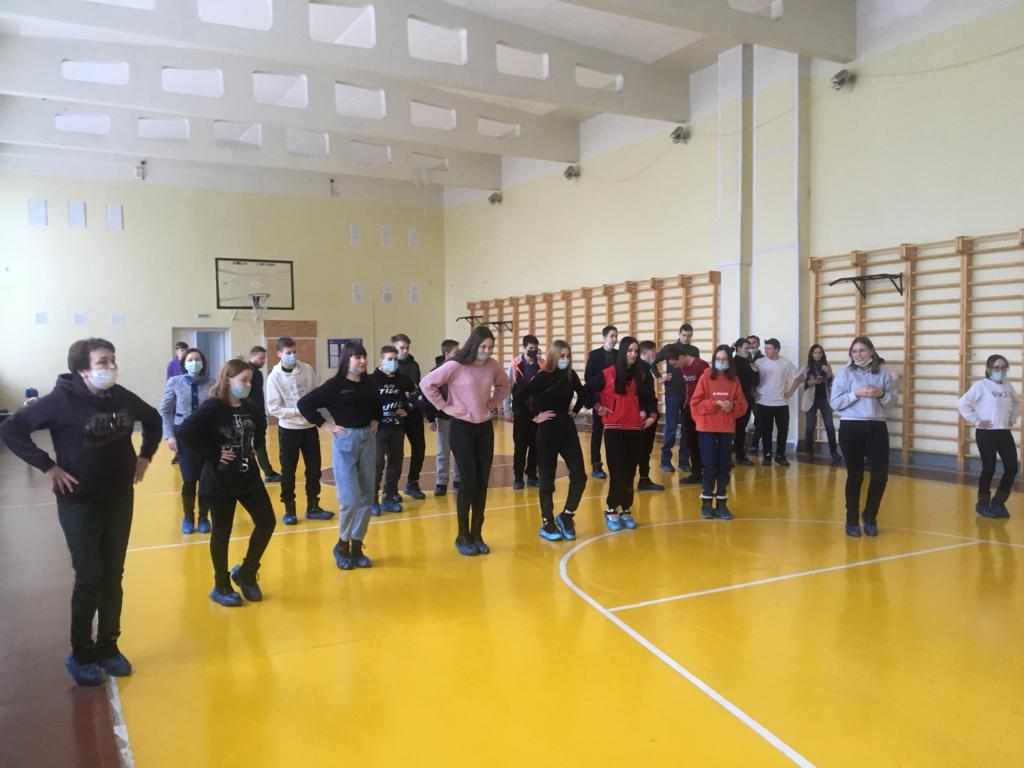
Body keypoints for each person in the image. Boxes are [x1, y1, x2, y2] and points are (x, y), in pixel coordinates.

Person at [0, 338, 160, 686]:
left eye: (113, 360)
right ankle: (81, 652)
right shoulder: (60, 401)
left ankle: (108, 645)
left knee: (113, 575)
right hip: (79, 501)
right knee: (89, 577)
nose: (111, 367)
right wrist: (48, 466)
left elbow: (153, 418)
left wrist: (145, 457)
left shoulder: (121, 397)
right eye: (103, 362)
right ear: (83, 370)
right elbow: (11, 429)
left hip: (119, 498)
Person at [177, 360, 276, 606]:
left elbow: (261, 426)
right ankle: (221, 584)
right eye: (243, 380)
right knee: (222, 532)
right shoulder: (213, 407)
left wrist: (255, 446)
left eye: (250, 380)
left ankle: (247, 572)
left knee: (267, 521)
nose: (248, 384)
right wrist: (214, 454)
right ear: (228, 380)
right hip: (219, 480)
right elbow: (186, 431)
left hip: (248, 476)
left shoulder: (250, 406)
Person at [420, 326, 511, 556]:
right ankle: (463, 535)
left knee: (482, 482)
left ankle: (477, 533)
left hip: (484, 428)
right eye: (483, 346)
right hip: (461, 428)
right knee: (468, 481)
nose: (486, 351)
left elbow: (505, 386)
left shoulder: (492, 365)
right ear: (473, 345)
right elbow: (426, 384)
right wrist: (445, 407)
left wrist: (493, 403)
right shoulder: (455, 365)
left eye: (490, 347)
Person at [298, 342, 382, 570]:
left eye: (364, 356)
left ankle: (357, 545)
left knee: (367, 498)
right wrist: (325, 424)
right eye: (357, 357)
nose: (362, 361)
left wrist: (376, 420)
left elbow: (378, 404)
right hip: (345, 442)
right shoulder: (334, 386)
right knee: (350, 500)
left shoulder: (370, 384)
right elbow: (304, 404)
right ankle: (342, 545)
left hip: (368, 440)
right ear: (346, 360)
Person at [516, 340, 591, 541]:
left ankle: (566, 515)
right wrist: (534, 417)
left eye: (568, 356)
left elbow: (583, 394)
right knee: (547, 480)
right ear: (553, 356)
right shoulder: (542, 376)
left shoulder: (570, 374)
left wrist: (575, 411)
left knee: (580, 476)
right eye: (561, 356)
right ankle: (547, 521)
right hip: (547, 431)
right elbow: (519, 399)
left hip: (567, 430)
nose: (565, 359)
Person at [830, 336, 897, 537]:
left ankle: (870, 515)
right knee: (855, 475)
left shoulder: (883, 373)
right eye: (854, 351)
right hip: (851, 426)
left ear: (871, 352)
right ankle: (851, 520)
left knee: (880, 475)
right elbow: (835, 403)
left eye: (862, 351)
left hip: (876, 427)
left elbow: (893, 401)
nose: (858, 355)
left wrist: (881, 395)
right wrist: (856, 393)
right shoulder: (844, 373)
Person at [592, 336, 657, 532]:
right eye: (630, 350)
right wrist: (599, 407)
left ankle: (626, 509)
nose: (633, 354)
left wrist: (652, 415)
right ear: (622, 352)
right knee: (618, 471)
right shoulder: (608, 373)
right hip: (614, 429)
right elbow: (588, 390)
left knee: (630, 472)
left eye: (636, 351)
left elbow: (650, 399)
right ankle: (611, 508)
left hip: (635, 429)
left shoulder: (642, 375)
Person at [266, 337, 334, 524]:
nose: (292, 356)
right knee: (288, 471)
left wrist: (315, 410)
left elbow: (315, 393)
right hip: (289, 430)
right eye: (288, 353)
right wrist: (299, 411)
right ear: (279, 354)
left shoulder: (307, 369)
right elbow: (274, 408)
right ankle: (289, 508)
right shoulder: (274, 378)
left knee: (314, 469)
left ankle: (313, 506)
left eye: (294, 352)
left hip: (309, 428)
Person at [690, 345, 748, 520]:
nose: (721, 362)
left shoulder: (734, 380)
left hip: (725, 427)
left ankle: (722, 503)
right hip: (707, 427)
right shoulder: (706, 377)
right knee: (709, 465)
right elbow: (695, 403)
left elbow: (742, 405)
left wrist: (732, 406)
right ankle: (706, 502)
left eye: (724, 359)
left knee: (724, 465)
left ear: (730, 361)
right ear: (714, 359)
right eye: (718, 359)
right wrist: (713, 403)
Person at [958, 354, 1020, 518]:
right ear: (989, 369)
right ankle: (983, 503)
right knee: (989, 468)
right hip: (986, 433)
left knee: (1012, 468)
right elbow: (962, 403)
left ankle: (999, 502)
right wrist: (977, 421)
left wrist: (1012, 418)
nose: (1000, 371)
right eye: (996, 368)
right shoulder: (981, 386)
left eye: (1004, 367)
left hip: (1004, 432)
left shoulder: (1007, 386)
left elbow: (1017, 402)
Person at [160, 347, 213, 534]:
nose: (194, 362)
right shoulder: (174, 382)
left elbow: (217, 409)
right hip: (184, 437)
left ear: (203, 363)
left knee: (206, 480)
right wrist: (170, 435)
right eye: (190, 359)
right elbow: (166, 410)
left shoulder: (212, 382)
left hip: (207, 437)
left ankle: (204, 517)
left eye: (197, 359)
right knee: (189, 479)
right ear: (184, 364)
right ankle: (188, 517)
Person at [370, 345, 416, 515]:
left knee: (395, 463)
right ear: (381, 360)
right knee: (377, 464)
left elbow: (416, 396)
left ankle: (389, 497)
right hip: (378, 430)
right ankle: (372, 499)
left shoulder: (403, 379)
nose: (393, 362)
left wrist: (407, 409)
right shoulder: (371, 380)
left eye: (395, 359)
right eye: (390, 359)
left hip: (397, 428)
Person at [424, 339, 461, 496]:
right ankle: (441, 481)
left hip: (460, 416)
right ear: (446, 353)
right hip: (443, 416)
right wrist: (431, 417)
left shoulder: (461, 369)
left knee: (460, 449)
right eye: (456, 352)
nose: (459, 355)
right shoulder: (436, 371)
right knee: (443, 451)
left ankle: (459, 479)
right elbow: (427, 395)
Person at [392, 333, 427, 501]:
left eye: (407, 348)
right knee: (396, 453)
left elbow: (417, 389)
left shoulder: (414, 365)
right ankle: (391, 489)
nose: (405, 351)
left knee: (419, 447)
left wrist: (412, 403)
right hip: (396, 414)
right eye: (401, 348)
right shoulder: (389, 366)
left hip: (413, 413)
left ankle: (413, 483)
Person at [752, 339, 798, 466]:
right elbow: (750, 379)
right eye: (765, 348)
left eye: (769, 348)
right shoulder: (759, 362)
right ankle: (767, 455)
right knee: (766, 431)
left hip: (781, 404)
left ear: (777, 349)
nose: (766, 350)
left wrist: (790, 392)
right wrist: (753, 393)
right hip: (763, 402)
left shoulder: (785, 363)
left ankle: (780, 455)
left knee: (783, 431)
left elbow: (799, 377)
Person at [656, 323, 694, 473]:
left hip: (688, 394)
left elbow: (696, 369)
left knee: (687, 428)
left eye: (689, 336)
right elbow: (653, 363)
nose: (686, 338)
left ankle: (684, 461)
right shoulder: (669, 348)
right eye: (684, 335)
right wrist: (660, 377)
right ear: (679, 334)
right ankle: (665, 461)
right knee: (671, 428)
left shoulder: (694, 350)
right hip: (672, 393)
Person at [670, 344, 709, 485]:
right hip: (689, 407)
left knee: (703, 441)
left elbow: (709, 388)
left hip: (702, 409)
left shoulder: (701, 366)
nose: (675, 366)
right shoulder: (683, 367)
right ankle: (696, 472)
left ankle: (708, 471)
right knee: (691, 441)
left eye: (675, 363)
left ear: (681, 357)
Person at [507, 334, 542, 489]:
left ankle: (532, 475)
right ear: (524, 348)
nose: (533, 351)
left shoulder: (542, 364)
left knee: (536, 445)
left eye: (536, 348)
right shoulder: (515, 364)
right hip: (520, 412)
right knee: (520, 446)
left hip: (537, 412)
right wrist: (507, 409)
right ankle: (518, 477)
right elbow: (507, 387)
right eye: (531, 348)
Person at [584, 325, 618, 479]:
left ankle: (616, 464)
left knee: (615, 433)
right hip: (600, 400)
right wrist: (603, 381)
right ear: (604, 337)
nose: (614, 339)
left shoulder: (619, 354)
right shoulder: (595, 354)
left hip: (616, 400)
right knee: (597, 432)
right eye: (612, 336)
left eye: (616, 336)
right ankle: (596, 465)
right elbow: (588, 377)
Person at [795, 344, 840, 462]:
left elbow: (832, 383)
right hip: (810, 400)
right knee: (810, 427)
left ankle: (834, 452)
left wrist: (828, 372)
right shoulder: (806, 367)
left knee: (830, 426)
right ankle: (808, 451)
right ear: (811, 354)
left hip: (825, 399)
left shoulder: (827, 366)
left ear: (823, 354)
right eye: (815, 353)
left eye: (820, 352)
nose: (817, 355)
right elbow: (799, 383)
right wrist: (811, 383)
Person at [248, 345, 282, 483]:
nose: (263, 361)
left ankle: (268, 472)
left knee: (258, 445)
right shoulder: (250, 373)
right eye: (261, 358)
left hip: (257, 415)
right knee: (255, 445)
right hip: (252, 416)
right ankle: (264, 473)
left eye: (264, 358)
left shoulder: (257, 373)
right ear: (252, 357)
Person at [637, 340, 665, 491]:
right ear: (649, 352)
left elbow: (650, 396)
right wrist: (643, 412)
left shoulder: (646, 369)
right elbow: (637, 395)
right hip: (642, 418)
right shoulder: (640, 370)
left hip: (649, 416)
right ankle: (641, 479)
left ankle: (644, 478)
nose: (656, 355)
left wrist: (653, 415)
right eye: (655, 352)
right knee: (641, 449)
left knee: (645, 450)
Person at [731, 338, 758, 466]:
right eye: (746, 348)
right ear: (738, 348)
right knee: (730, 429)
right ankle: (726, 456)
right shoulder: (732, 362)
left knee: (741, 428)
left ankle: (740, 455)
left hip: (746, 399)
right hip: (734, 400)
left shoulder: (749, 362)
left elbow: (755, 382)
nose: (748, 350)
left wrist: (756, 372)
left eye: (749, 348)